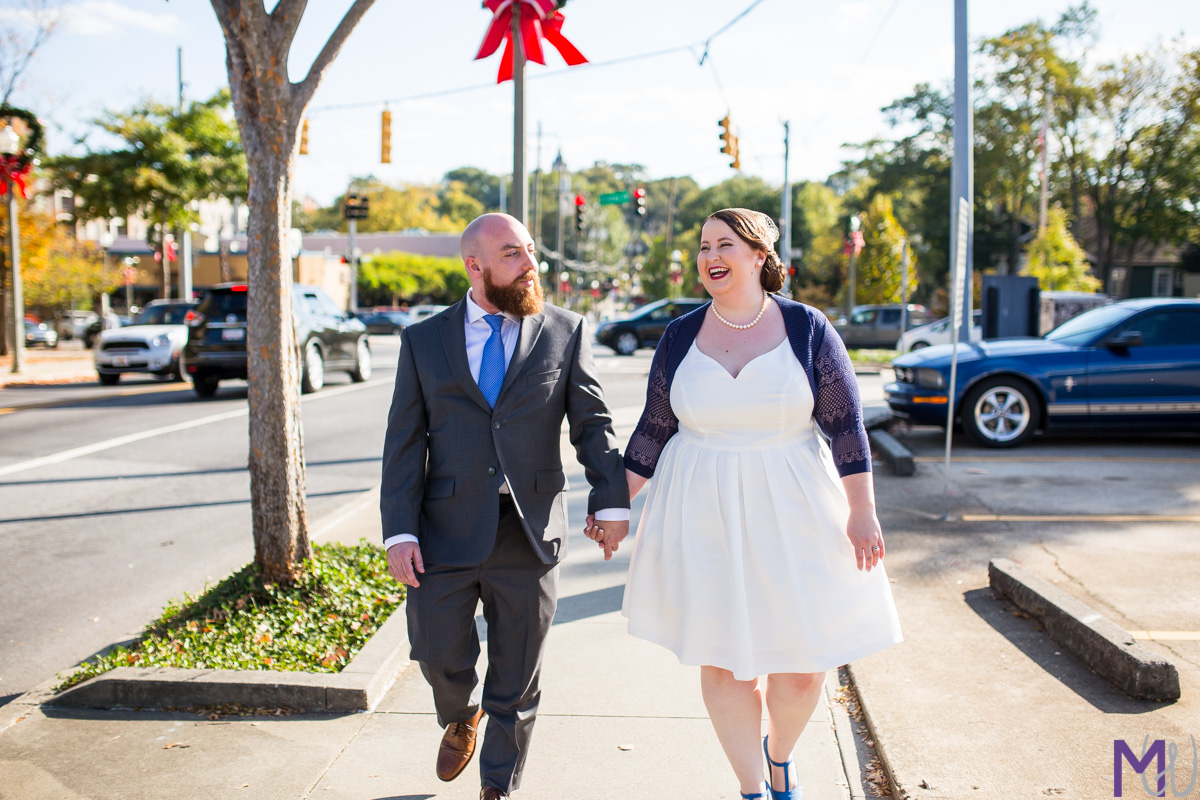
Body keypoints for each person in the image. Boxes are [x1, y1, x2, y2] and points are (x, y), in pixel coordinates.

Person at [587, 208, 902, 800]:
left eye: (724, 244)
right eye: (704, 245)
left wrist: (863, 510)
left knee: (804, 663)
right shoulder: (680, 335)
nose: (710, 255)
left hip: (797, 508)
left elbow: (847, 427)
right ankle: (753, 787)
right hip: (702, 511)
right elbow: (653, 432)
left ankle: (780, 756)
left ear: (759, 256)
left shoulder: (807, 328)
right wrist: (613, 509)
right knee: (725, 660)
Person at [382, 213, 630, 800]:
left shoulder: (563, 331)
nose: (531, 265)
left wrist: (611, 498)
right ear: (476, 265)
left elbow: (592, 425)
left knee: (518, 675)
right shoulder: (424, 339)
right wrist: (399, 532)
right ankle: (459, 712)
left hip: (529, 530)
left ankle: (498, 786)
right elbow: (403, 440)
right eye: (514, 254)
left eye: (530, 252)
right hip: (442, 529)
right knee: (437, 650)